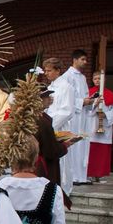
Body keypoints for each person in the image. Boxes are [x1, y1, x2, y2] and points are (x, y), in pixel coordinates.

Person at [59, 50, 94, 185]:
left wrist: (90, 101)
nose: (85, 62)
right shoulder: (67, 77)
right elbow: (67, 98)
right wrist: (81, 102)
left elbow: (84, 95)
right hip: (73, 116)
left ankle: (81, 176)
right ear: (75, 59)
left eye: (86, 60)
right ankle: (73, 176)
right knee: (74, 144)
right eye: (83, 59)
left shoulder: (83, 77)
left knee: (83, 143)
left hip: (83, 115)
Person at [43, 57, 76, 195]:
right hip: (49, 125)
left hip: (59, 127)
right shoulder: (49, 88)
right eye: (45, 70)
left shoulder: (66, 87)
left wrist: (50, 124)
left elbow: (67, 110)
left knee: (62, 159)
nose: (46, 73)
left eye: (49, 70)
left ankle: (64, 190)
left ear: (57, 71)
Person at [87, 71, 113, 182]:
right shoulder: (89, 93)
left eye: (99, 78)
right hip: (91, 125)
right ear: (92, 80)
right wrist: (94, 105)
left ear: (104, 80)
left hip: (104, 126)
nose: (97, 80)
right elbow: (83, 110)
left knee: (102, 152)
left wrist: (105, 114)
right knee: (90, 151)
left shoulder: (110, 94)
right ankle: (90, 174)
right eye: (95, 78)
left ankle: (100, 175)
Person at [35, 85, 69, 189]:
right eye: (46, 96)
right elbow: (51, 151)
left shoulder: (29, 117)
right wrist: (64, 145)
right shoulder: (42, 121)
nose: (50, 98)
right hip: (43, 169)